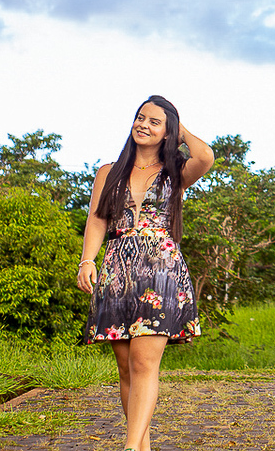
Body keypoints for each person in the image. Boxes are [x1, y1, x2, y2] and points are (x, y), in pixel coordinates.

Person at [77, 95, 215, 451]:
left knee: (143, 363)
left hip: (160, 272)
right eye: (141, 117)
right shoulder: (109, 172)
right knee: (126, 368)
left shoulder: (176, 171)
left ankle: (128, 446)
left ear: (167, 132)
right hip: (117, 271)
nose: (144, 125)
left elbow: (205, 156)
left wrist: (180, 130)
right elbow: (97, 219)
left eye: (155, 121)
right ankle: (142, 446)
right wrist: (87, 260)